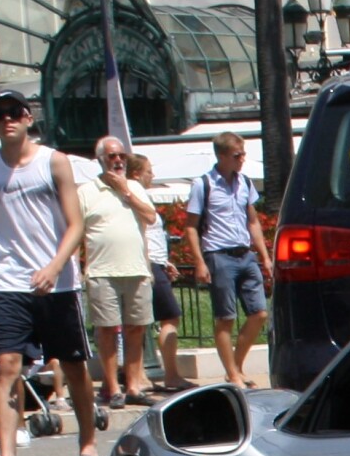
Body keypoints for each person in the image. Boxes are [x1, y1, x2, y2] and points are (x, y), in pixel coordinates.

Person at [0, 89, 99, 456]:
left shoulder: (54, 161)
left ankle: (89, 446)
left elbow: (75, 223)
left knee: (75, 368)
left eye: (15, 112)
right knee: (6, 367)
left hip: (57, 284)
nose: (7, 119)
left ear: (28, 119)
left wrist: (55, 265)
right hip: (9, 282)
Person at [180, 131, 273, 391]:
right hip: (218, 255)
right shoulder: (204, 185)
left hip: (245, 254)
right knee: (226, 317)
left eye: (243, 154)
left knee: (259, 313)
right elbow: (190, 227)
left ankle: (237, 366)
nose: (242, 159)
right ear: (222, 156)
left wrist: (265, 256)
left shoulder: (244, 182)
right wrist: (199, 262)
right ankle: (232, 373)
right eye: (237, 155)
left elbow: (252, 220)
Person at [79, 134, 159, 414]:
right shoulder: (87, 191)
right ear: (100, 159)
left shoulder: (135, 186)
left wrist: (126, 191)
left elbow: (150, 217)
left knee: (136, 328)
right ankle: (113, 387)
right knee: (107, 330)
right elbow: (76, 230)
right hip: (103, 271)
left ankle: (134, 385)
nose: (117, 160)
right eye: (112, 156)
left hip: (136, 269)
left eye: (121, 156)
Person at [132, 153, 187, 396]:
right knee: (170, 316)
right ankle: (171, 374)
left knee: (143, 322)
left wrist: (165, 262)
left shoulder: (139, 193)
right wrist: (153, 264)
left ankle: (146, 374)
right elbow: (142, 230)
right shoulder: (135, 191)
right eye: (148, 171)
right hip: (148, 263)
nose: (152, 175)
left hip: (155, 262)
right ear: (136, 173)